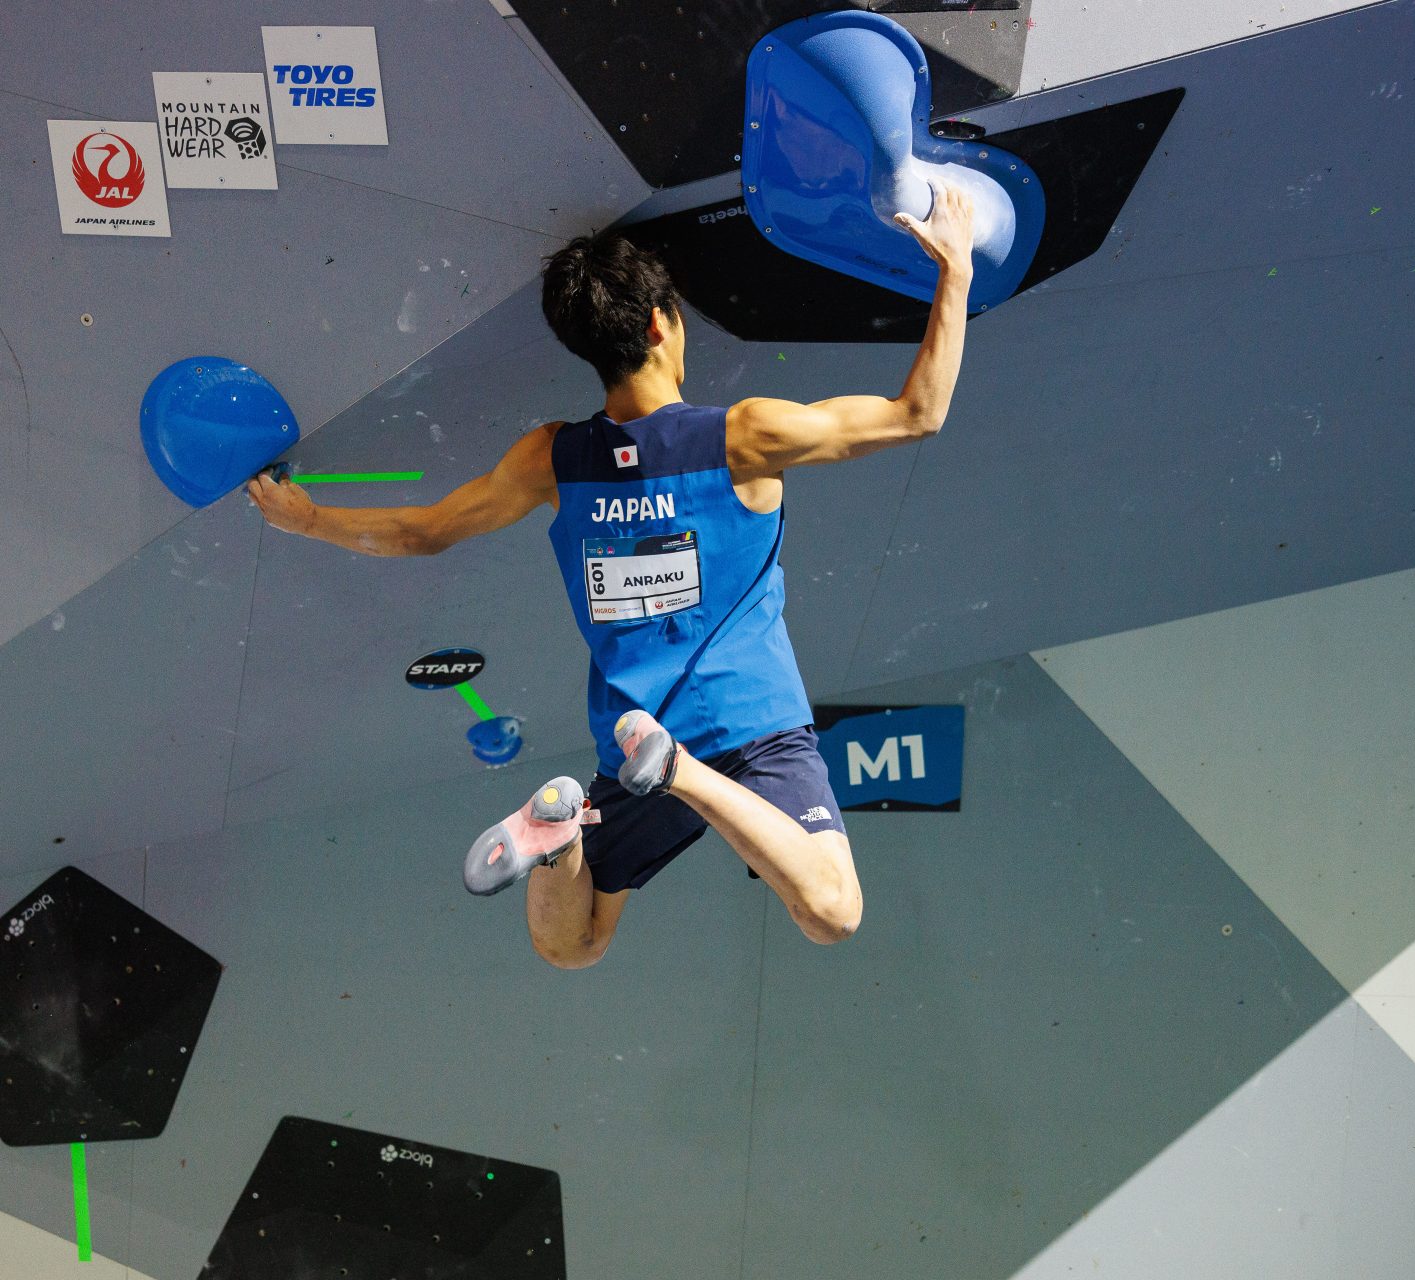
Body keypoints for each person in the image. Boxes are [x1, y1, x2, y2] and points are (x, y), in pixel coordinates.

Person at [248, 186, 977, 964]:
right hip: (749, 731)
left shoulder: (553, 461)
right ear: (663, 324)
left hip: (633, 741)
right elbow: (917, 413)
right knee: (832, 911)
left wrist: (310, 519)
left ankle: (562, 842)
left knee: (573, 945)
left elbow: (427, 532)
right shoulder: (745, 438)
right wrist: (955, 269)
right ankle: (683, 775)